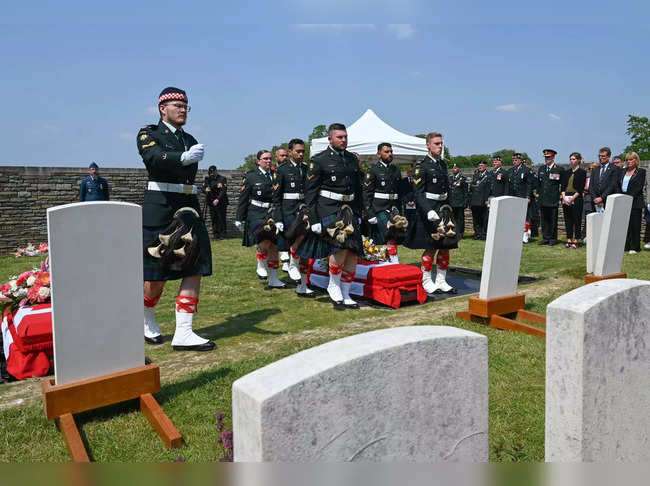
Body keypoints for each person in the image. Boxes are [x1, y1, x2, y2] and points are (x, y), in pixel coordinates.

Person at [137, 87, 215, 351]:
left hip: (187, 207)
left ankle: (184, 331)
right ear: (163, 108)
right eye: (178, 105)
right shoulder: (149, 133)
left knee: (195, 266)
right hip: (160, 207)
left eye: (186, 106)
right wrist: (181, 158)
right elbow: (153, 159)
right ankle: (145, 317)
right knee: (157, 274)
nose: (183, 110)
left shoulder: (189, 138)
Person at [298, 123, 364, 309]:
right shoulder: (319, 160)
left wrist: (359, 213)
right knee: (340, 249)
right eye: (339, 137)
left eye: (345, 137)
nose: (344, 140)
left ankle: (346, 291)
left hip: (349, 208)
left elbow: (358, 189)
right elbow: (310, 193)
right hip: (329, 208)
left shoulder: (351, 159)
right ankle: (333, 285)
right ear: (330, 139)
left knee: (353, 252)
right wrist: (314, 219)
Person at [405, 132, 458, 294]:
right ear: (428, 145)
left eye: (441, 143)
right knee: (431, 246)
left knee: (445, 246)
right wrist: (428, 210)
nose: (440, 146)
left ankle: (441, 280)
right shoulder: (421, 166)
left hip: (443, 209)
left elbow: (447, 189)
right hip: (430, 208)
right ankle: (426, 279)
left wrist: (450, 207)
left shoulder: (442, 165)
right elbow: (418, 192)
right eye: (436, 144)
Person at [236, 150, 285, 288]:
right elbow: (243, 198)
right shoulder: (251, 176)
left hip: (272, 212)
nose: (268, 161)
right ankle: (261, 264)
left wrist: (280, 217)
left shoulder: (276, 175)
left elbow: (279, 197)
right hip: (256, 213)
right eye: (265, 159)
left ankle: (274, 278)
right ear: (258, 161)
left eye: (270, 159)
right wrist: (239, 218)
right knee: (264, 241)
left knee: (274, 245)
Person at [272, 138, 315, 296]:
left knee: (306, 246)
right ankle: (291, 261)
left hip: (304, 209)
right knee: (299, 237)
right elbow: (276, 197)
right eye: (298, 151)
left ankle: (302, 285)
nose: (301, 154)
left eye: (303, 151)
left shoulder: (307, 169)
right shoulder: (282, 170)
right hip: (288, 210)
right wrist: (277, 218)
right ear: (290, 152)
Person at [362, 143, 404, 262]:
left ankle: (391, 261)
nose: (390, 154)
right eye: (386, 151)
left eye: (391, 151)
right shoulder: (373, 170)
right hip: (379, 208)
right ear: (379, 154)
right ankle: (391, 262)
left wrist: (400, 211)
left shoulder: (396, 170)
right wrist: (370, 213)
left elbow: (399, 192)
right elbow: (366, 193)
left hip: (393, 208)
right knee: (388, 235)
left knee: (394, 236)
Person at [620, 152, 646, 254]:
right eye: (627, 160)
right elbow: (618, 184)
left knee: (635, 225)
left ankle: (635, 247)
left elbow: (638, 187)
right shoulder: (622, 171)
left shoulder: (641, 172)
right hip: (623, 201)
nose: (629, 162)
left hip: (635, 202)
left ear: (636, 160)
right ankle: (626, 246)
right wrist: (621, 197)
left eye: (631, 159)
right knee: (624, 225)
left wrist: (628, 197)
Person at [560, 152, 587, 249]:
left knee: (576, 219)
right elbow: (562, 187)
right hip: (566, 196)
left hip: (576, 197)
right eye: (571, 159)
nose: (572, 161)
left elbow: (580, 188)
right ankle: (569, 239)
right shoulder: (566, 172)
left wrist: (572, 199)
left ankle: (576, 240)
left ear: (579, 160)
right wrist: (564, 197)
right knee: (568, 219)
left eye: (574, 159)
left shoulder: (582, 173)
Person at [537, 149, 563, 246]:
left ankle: (553, 238)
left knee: (553, 220)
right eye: (545, 157)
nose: (547, 159)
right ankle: (545, 237)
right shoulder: (542, 169)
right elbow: (539, 184)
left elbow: (562, 185)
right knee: (544, 220)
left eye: (548, 157)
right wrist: (538, 196)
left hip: (553, 199)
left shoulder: (559, 169)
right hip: (543, 199)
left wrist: (560, 198)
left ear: (553, 157)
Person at [508, 153, 534, 242]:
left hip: (523, 196)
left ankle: (525, 235)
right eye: (513, 160)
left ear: (520, 160)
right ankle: (516, 234)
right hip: (514, 197)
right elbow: (509, 185)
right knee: (515, 216)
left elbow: (529, 184)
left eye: (516, 160)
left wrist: (528, 196)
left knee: (526, 217)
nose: (514, 161)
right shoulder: (511, 170)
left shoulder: (526, 170)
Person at [589, 146, 620, 212]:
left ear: (608, 157)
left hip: (608, 201)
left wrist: (602, 198)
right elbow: (591, 186)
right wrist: (595, 198)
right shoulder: (595, 169)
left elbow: (612, 185)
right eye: (599, 156)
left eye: (603, 156)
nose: (600, 158)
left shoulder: (614, 169)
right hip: (595, 202)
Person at [203, 165, 228, 239]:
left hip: (221, 201)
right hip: (211, 201)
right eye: (210, 172)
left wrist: (218, 199)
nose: (212, 174)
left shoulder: (222, 179)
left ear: (216, 171)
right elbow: (203, 188)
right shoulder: (207, 179)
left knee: (221, 218)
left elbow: (223, 190)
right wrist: (205, 190)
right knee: (214, 218)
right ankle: (216, 235)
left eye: (213, 172)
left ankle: (223, 235)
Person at [469, 160, 491, 240]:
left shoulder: (488, 175)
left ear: (486, 166)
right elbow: (472, 187)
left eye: (482, 165)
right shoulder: (476, 175)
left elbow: (488, 189)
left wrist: (486, 199)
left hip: (483, 200)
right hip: (474, 200)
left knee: (484, 218)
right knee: (476, 218)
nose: (480, 167)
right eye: (479, 165)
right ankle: (477, 233)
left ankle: (483, 234)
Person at [448, 163, 469, 238]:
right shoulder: (450, 178)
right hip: (452, 202)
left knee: (460, 219)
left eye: (456, 168)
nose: (454, 169)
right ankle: (453, 232)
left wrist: (465, 202)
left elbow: (465, 192)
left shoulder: (463, 178)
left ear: (459, 169)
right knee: (452, 218)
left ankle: (460, 233)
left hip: (460, 202)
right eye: (453, 168)